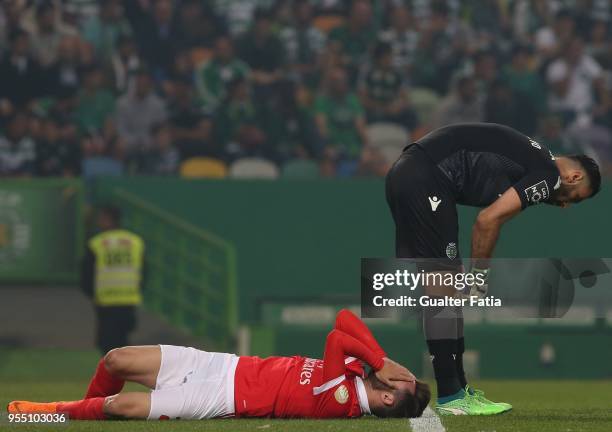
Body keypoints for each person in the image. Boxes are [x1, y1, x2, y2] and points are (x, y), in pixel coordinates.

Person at [385, 123, 601, 415]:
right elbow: (488, 220)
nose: (565, 206)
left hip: (414, 172)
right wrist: (480, 277)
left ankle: (458, 388)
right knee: (442, 286)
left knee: (444, 286)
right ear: (574, 177)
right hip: (427, 178)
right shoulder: (548, 176)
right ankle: (451, 395)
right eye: (573, 198)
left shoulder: (534, 160)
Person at [8, 310, 430, 421]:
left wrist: (378, 360)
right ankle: (84, 414)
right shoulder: (359, 373)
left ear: (390, 395)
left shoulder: (342, 398)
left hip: (214, 396)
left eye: (403, 379)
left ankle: (47, 413)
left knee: (121, 407)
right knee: (115, 360)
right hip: (218, 364)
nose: (398, 372)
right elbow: (344, 317)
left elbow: (336, 336)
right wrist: (383, 359)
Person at [81, 206, 145, 354]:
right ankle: (124, 374)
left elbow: (87, 273)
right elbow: (143, 271)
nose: (99, 222)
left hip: (106, 301)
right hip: (128, 299)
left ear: (109, 219)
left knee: (106, 344)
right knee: (122, 341)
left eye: (102, 218)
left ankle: (117, 375)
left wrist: (92, 293)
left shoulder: (96, 243)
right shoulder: (135, 242)